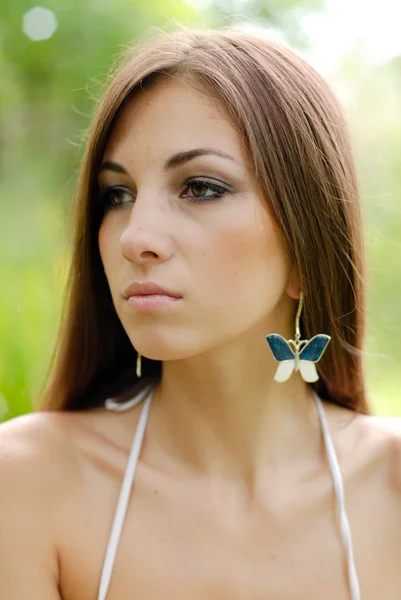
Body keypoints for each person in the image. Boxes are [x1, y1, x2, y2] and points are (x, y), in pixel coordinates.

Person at [0, 26, 400, 600]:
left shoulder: (391, 487)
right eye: (117, 195)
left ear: (307, 245)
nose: (135, 237)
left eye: (201, 187)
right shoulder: (27, 483)